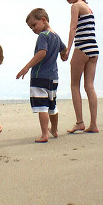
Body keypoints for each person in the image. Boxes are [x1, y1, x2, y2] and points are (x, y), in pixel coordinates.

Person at [16, 8, 67, 143]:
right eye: (30, 27)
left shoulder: (43, 36)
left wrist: (26, 67)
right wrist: (63, 55)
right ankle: (54, 129)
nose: (33, 29)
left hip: (40, 76)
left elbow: (42, 52)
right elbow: (64, 49)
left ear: (43, 20)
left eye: (34, 25)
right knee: (52, 105)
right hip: (53, 77)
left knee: (42, 107)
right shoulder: (55, 35)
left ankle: (45, 134)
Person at [61, 0, 99, 133]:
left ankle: (80, 122)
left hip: (82, 47)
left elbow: (73, 28)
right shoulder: (88, 8)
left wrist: (68, 49)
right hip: (94, 49)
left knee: (75, 85)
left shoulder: (76, 6)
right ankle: (94, 124)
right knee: (89, 86)